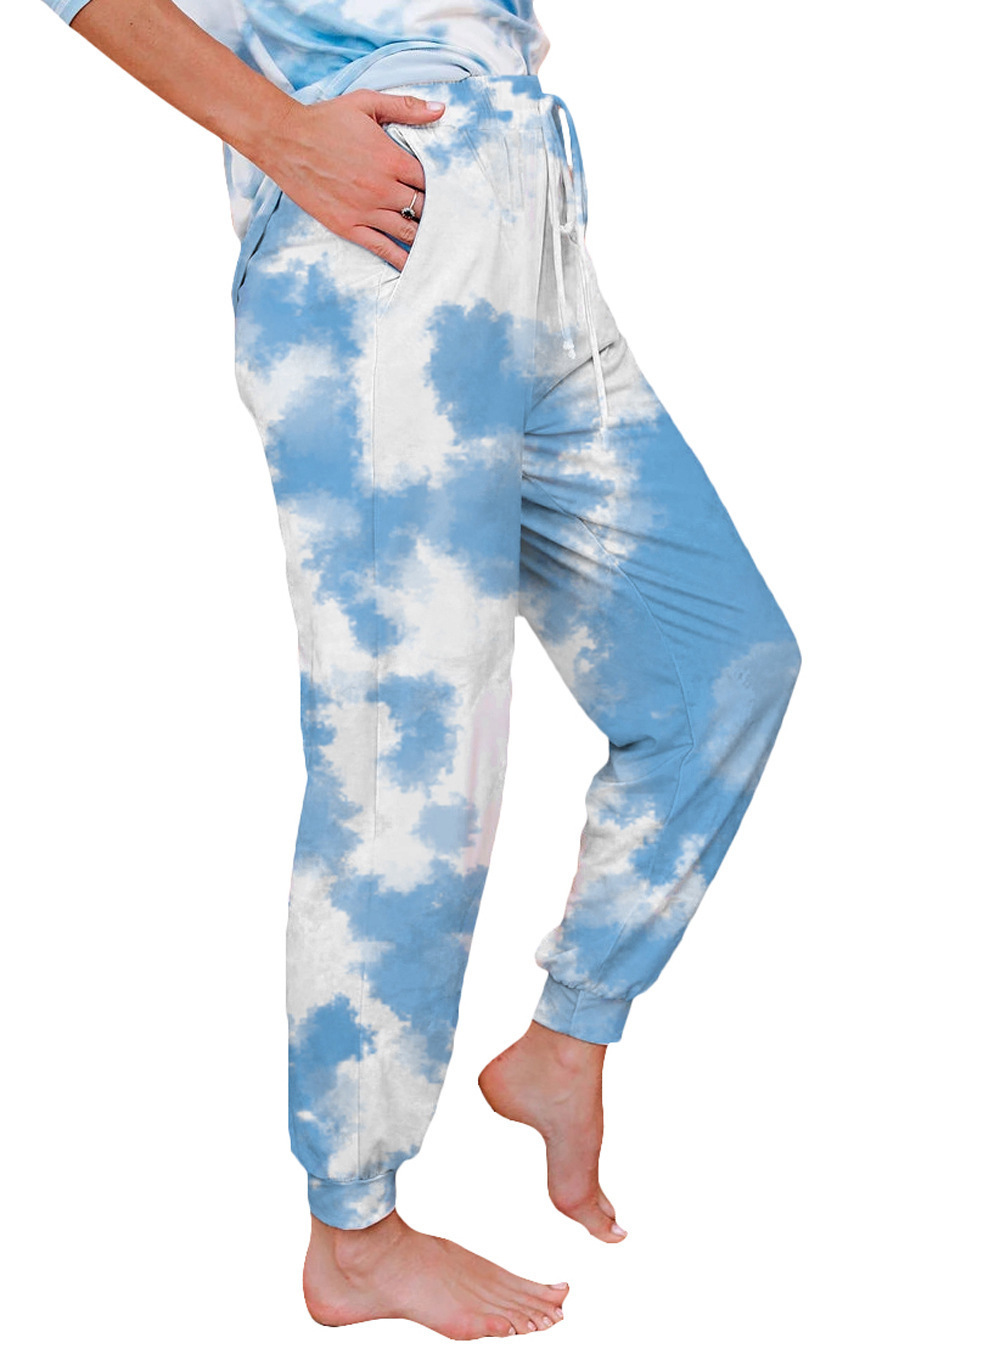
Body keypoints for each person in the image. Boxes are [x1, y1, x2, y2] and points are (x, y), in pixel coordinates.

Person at [40, 0, 802, 1341]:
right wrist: (281, 134)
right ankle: (355, 1236)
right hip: (381, 236)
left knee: (723, 666)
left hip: (533, 222)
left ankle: (566, 1038)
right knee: (413, 754)